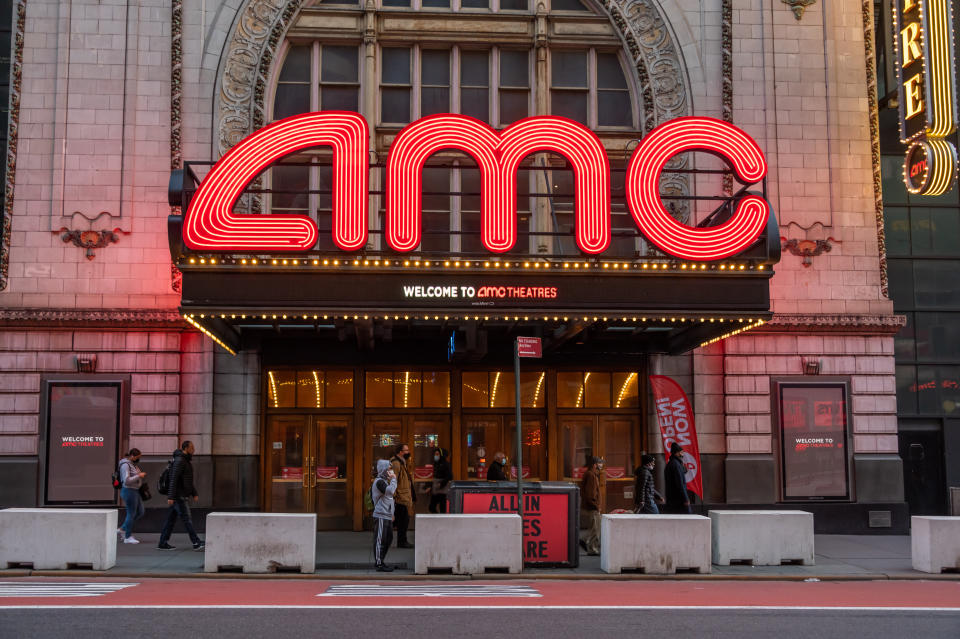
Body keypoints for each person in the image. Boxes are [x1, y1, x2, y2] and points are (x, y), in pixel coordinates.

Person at [158, 440, 205, 551]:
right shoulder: (180, 461)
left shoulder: (185, 460)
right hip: (179, 495)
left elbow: (187, 480)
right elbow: (174, 479)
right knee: (186, 519)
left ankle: (162, 543)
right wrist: (171, 496)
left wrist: (194, 493)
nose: (194, 450)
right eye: (192, 447)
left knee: (170, 520)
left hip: (180, 494)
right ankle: (196, 542)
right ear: (185, 448)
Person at [371, 459, 398, 572]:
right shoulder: (380, 482)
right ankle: (379, 563)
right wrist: (394, 480)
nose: (390, 471)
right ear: (383, 469)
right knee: (380, 540)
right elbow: (390, 492)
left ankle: (382, 560)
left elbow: (389, 499)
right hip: (381, 514)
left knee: (388, 539)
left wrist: (392, 514)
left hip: (386, 514)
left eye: (390, 469)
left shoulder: (384, 481)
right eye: (388, 469)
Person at [118, 448, 146, 544]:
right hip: (129, 491)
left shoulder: (133, 465)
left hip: (135, 491)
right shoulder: (125, 465)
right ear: (132, 456)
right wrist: (139, 476)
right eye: (138, 457)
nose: (139, 459)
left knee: (140, 512)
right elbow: (126, 480)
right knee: (131, 513)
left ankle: (123, 528)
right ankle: (127, 536)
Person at [390, 442, 415, 548]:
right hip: (400, 497)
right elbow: (392, 481)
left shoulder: (402, 462)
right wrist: (393, 497)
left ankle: (401, 541)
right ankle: (402, 542)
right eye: (406, 450)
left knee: (401, 521)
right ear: (401, 452)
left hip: (402, 496)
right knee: (402, 521)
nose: (408, 452)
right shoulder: (396, 463)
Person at [579, 455, 603, 556]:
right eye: (600, 463)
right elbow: (590, 495)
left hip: (591, 506)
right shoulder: (591, 476)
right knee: (595, 529)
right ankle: (592, 549)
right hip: (592, 507)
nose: (601, 465)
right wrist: (596, 506)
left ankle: (585, 540)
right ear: (594, 465)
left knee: (595, 528)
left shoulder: (591, 474)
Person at [663, 442, 691, 514]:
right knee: (687, 519)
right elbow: (680, 483)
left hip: (672, 498)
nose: (683, 454)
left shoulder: (672, 463)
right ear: (677, 453)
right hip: (678, 499)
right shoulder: (676, 464)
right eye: (682, 452)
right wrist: (685, 498)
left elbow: (683, 471)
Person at [429, 447, 452, 513]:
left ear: (442, 455)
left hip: (443, 490)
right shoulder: (436, 463)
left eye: (437, 454)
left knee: (443, 508)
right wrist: (430, 486)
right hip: (436, 488)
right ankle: (437, 519)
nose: (435, 456)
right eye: (435, 454)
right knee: (431, 507)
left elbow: (450, 476)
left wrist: (441, 484)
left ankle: (441, 521)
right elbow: (434, 476)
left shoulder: (446, 464)